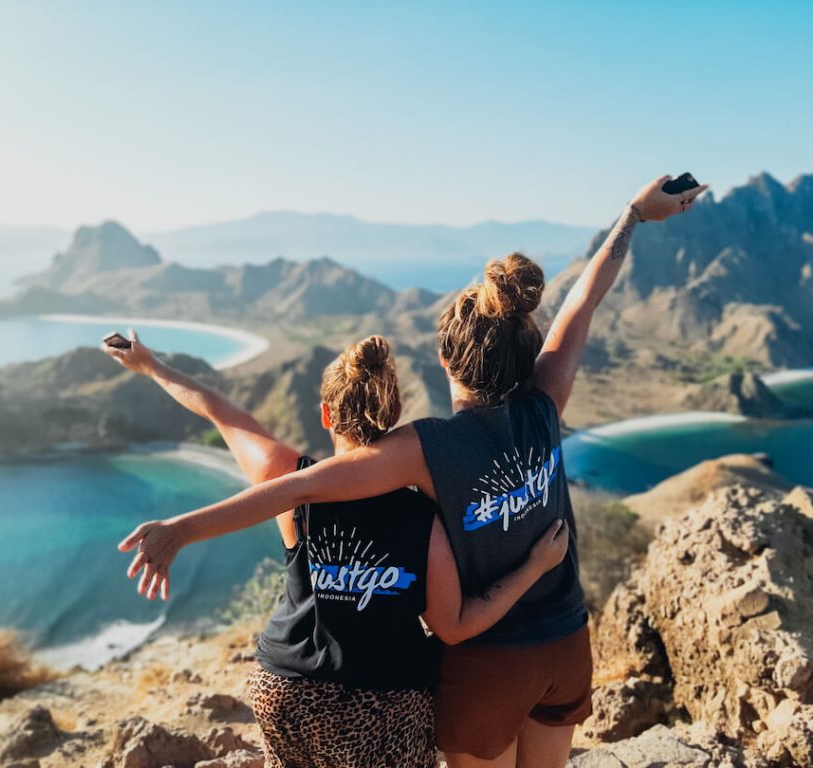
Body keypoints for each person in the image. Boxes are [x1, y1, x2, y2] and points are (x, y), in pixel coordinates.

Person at [118, 174, 708, 767]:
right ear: (523, 355)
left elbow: (298, 487)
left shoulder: (427, 448)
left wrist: (182, 530)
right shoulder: (544, 405)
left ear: (446, 360)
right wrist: (632, 213)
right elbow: (581, 304)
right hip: (567, 646)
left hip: (489, 661)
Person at [105, 332, 570, 768]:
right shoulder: (423, 514)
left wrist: (150, 366)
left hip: (285, 689)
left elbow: (216, 409)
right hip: (386, 707)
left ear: (326, 415)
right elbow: (456, 625)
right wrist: (533, 568)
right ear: (393, 417)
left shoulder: (285, 483)